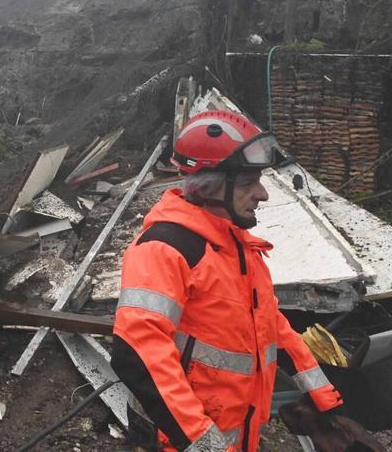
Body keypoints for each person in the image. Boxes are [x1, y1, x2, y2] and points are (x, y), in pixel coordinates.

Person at [110, 109, 346, 452]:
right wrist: (202, 443)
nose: (262, 194)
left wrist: (322, 393)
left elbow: (269, 325)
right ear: (210, 188)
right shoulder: (165, 249)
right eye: (249, 183)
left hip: (235, 434)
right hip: (179, 441)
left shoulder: (236, 248)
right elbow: (137, 352)